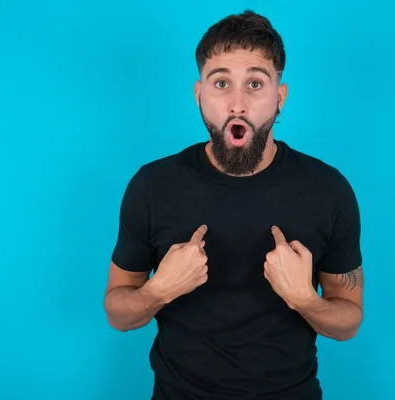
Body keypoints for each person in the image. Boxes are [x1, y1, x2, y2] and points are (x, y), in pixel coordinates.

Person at [103, 10, 364, 400]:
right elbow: (117, 313)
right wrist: (158, 290)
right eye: (221, 82)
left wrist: (304, 299)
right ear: (199, 95)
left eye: (255, 83)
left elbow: (348, 322)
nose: (237, 104)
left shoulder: (329, 189)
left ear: (279, 97)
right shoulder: (152, 186)